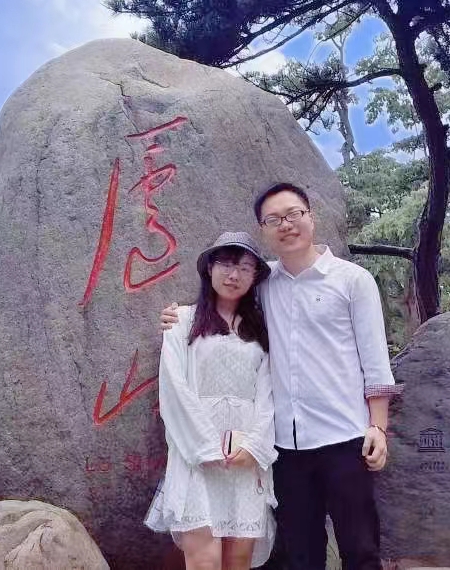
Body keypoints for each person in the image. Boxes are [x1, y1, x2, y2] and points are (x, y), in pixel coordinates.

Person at [161, 183, 400, 570]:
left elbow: (375, 362)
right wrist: (178, 316)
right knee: (301, 554)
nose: (285, 225)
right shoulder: (263, 282)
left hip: (345, 437)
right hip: (286, 449)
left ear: (311, 217)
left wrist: (378, 426)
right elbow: (222, 297)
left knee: (360, 549)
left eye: (293, 215)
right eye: (273, 220)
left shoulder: (352, 280)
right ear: (263, 229)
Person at [146, 232, 278, 570]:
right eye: (226, 264)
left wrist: (255, 447)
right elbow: (174, 389)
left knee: (238, 562)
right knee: (203, 560)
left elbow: (268, 395)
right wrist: (205, 448)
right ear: (209, 268)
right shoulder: (182, 322)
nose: (234, 275)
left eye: (245, 268)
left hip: (245, 459)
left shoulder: (261, 331)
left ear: (255, 277)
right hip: (196, 458)